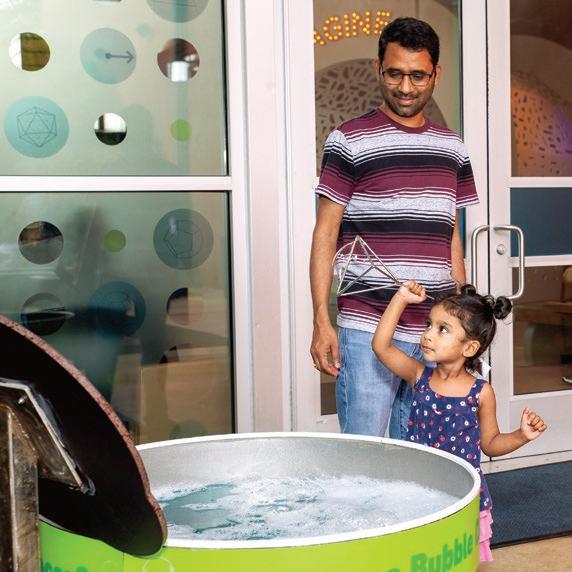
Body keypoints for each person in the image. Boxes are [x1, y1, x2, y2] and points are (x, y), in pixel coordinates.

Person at [309, 16, 479, 439]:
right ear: (378, 69)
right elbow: (325, 233)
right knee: (364, 451)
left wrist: (462, 317)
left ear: (436, 74)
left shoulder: (452, 148)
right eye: (395, 74)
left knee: (420, 450)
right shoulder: (349, 140)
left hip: (433, 330)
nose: (405, 87)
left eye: (418, 75)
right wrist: (321, 320)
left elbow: (450, 235)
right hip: (367, 324)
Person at [372, 281, 547, 561]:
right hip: (418, 487)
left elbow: (490, 443)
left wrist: (521, 435)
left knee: (454, 559)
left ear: (470, 347)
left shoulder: (481, 393)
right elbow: (381, 347)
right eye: (429, 325)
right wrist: (400, 299)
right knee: (418, 557)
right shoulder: (419, 376)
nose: (428, 335)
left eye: (442, 329)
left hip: (461, 494)